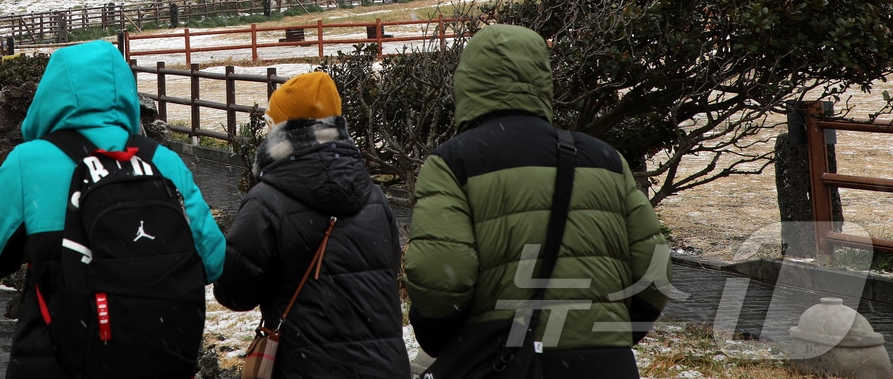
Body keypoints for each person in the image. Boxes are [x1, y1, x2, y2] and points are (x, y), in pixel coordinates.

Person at [403, 24, 672, 378]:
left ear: (466, 82)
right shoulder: (604, 158)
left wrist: (445, 340)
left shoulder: (455, 162)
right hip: (604, 363)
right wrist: (611, 333)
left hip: (505, 360)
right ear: (542, 78)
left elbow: (440, 276)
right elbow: (655, 268)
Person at [0, 39, 226, 378]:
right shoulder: (163, 161)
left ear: (51, 94)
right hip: (157, 358)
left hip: (54, 360)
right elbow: (214, 262)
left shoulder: (28, 163)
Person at [214, 71, 409, 377]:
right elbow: (388, 270)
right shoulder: (374, 197)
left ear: (285, 131)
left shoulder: (266, 201)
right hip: (383, 366)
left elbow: (234, 293)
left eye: (269, 123)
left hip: (305, 366)